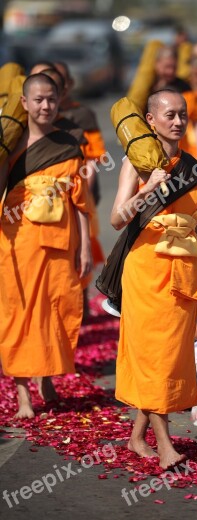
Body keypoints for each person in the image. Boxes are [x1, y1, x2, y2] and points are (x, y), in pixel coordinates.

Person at [112, 90, 197, 469]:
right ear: (150, 119)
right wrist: (146, 189)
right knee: (154, 357)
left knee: (171, 357)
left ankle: (136, 437)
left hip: (185, 272)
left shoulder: (191, 167)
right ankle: (164, 445)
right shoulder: (136, 163)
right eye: (169, 115)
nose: (177, 121)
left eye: (183, 115)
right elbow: (116, 218)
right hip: (146, 271)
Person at [0, 73, 92, 418]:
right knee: (19, 315)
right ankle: (24, 394)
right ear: (24, 103)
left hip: (58, 243)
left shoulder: (68, 144)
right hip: (18, 243)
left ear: (59, 102)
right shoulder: (10, 145)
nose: (45, 106)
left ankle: (48, 375)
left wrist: (84, 247)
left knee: (57, 310)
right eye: (37, 99)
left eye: (51, 99)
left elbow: (79, 201)